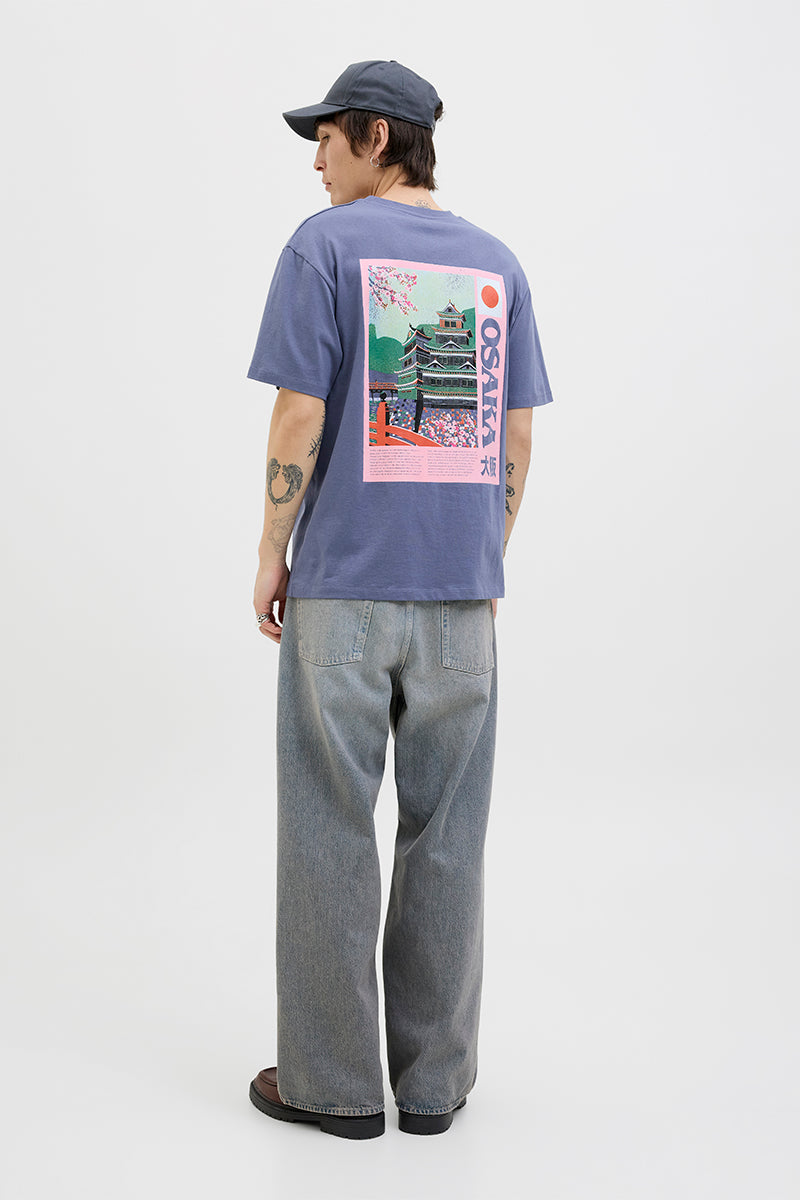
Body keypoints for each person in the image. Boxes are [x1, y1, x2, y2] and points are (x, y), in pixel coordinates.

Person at [245, 60, 554, 1140]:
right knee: (448, 840)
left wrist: (271, 549)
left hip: (342, 592)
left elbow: (298, 415)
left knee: (327, 832)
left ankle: (331, 1088)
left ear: (377, 136)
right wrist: (480, 559)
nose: (317, 164)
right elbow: (517, 433)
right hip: (462, 603)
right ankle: (432, 1088)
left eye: (327, 140)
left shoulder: (322, 248)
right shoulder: (497, 264)